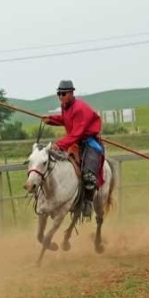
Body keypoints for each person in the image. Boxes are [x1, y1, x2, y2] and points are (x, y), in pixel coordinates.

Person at [41, 80, 104, 218]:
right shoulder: (65, 106)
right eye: (59, 93)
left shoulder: (80, 109)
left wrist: (59, 144)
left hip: (89, 142)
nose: (61, 96)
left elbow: (77, 133)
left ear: (71, 93)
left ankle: (87, 202)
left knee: (88, 174)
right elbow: (65, 119)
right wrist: (50, 119)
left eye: (63, 93)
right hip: (74, 142)